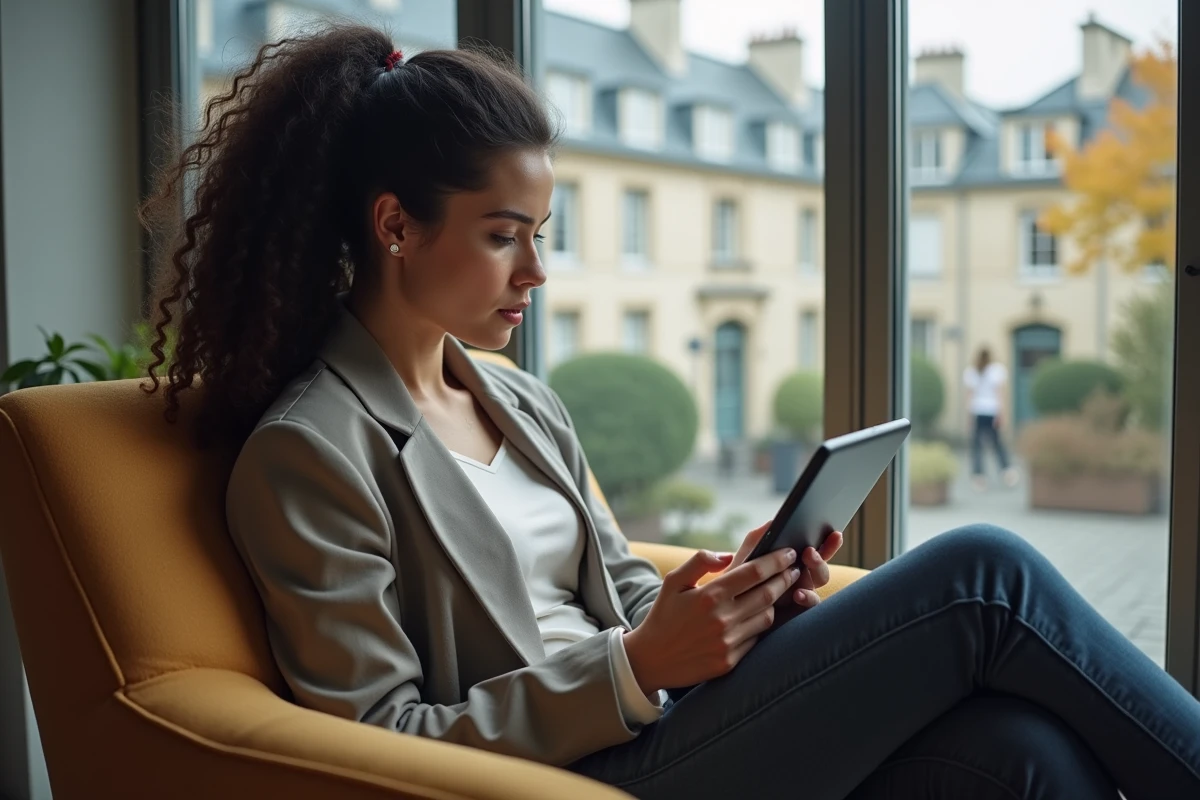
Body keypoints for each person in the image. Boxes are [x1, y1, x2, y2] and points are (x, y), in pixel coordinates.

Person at [140, 27, 1200, 800]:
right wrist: (636, 666)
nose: (537, 270)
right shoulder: (311, 452)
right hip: (585, 769)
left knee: (1023, 752)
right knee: (984, 574)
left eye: (542, 233)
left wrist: (736, 596)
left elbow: (621, 590)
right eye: (504, 235)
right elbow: (374, 739)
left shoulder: (518, 399)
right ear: (395, 226)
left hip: (674, 720)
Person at [963, 346, 1019, 490]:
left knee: (977, 446)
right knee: (997, 444)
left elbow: (970, 396)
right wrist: (1002, 414)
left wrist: (969, 417)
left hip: (977, 411)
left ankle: (979, 477)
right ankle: (1006, 471)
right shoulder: (996, 371)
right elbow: (999, 394)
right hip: (992, 411)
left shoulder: (972, 371)